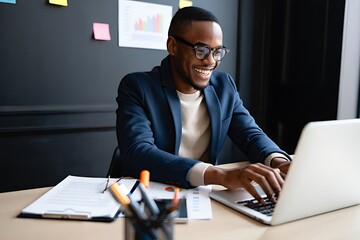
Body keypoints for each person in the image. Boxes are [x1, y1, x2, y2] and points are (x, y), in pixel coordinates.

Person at [116, 6, 291, 204]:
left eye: (217, 52)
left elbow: (250, 135)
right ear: (172, 46)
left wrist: (280, 162)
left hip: (203, 196)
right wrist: (222, 176)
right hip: (153, 199)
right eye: (201, 50)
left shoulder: (224, 86)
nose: (210, 61)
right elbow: (137, 152)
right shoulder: (137, 86)